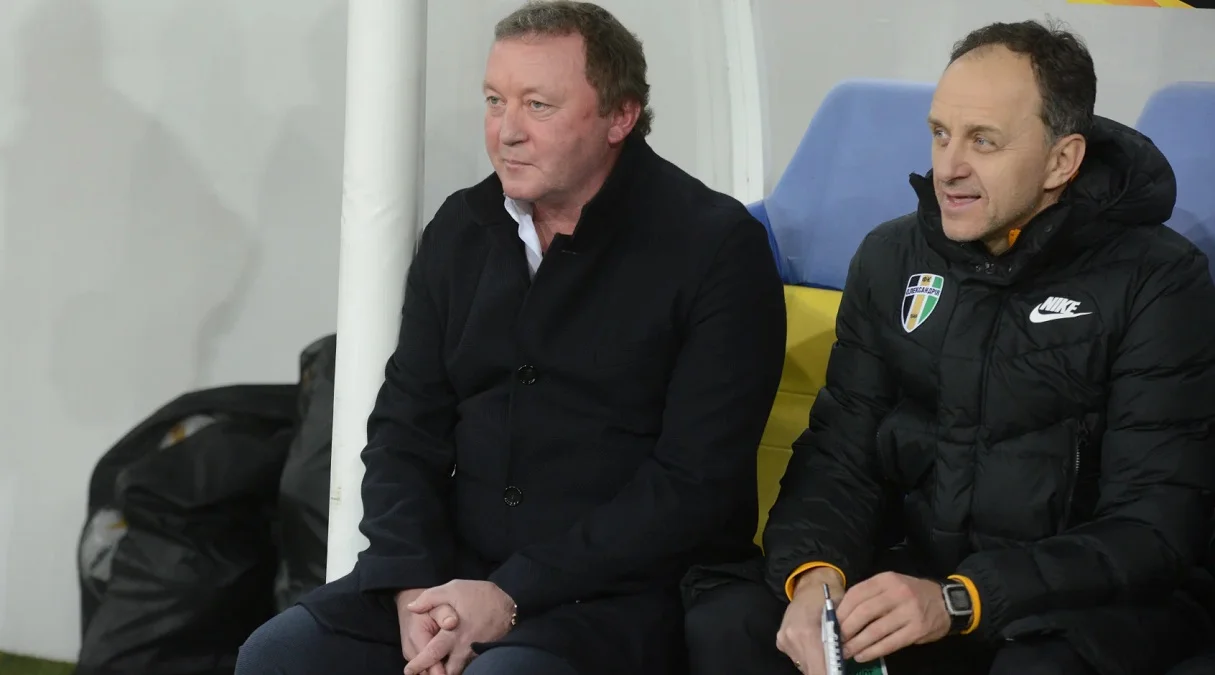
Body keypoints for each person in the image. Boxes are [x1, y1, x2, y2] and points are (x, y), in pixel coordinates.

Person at [235, 2, 787, 675]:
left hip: (623, 591)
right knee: (278, 655)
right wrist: (410, 582)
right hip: (454, 574)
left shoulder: (716, 246)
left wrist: (512, 593)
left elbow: (694, 482)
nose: (507, 131)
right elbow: (405, 429)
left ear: (620, 116)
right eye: (494, 101)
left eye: (538, 105)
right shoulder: (461, 228)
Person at [683, 19, 1215, 675]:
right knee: (730, 623)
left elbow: (1153, 525)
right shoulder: (889, 257)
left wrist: (962, 599)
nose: (948, 167)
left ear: (1062, 160)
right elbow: (840, 453)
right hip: (916, 582)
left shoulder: (1158, 279)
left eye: (982, 140)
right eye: (940, 134)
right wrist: (816, 573)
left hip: (1080, 608)